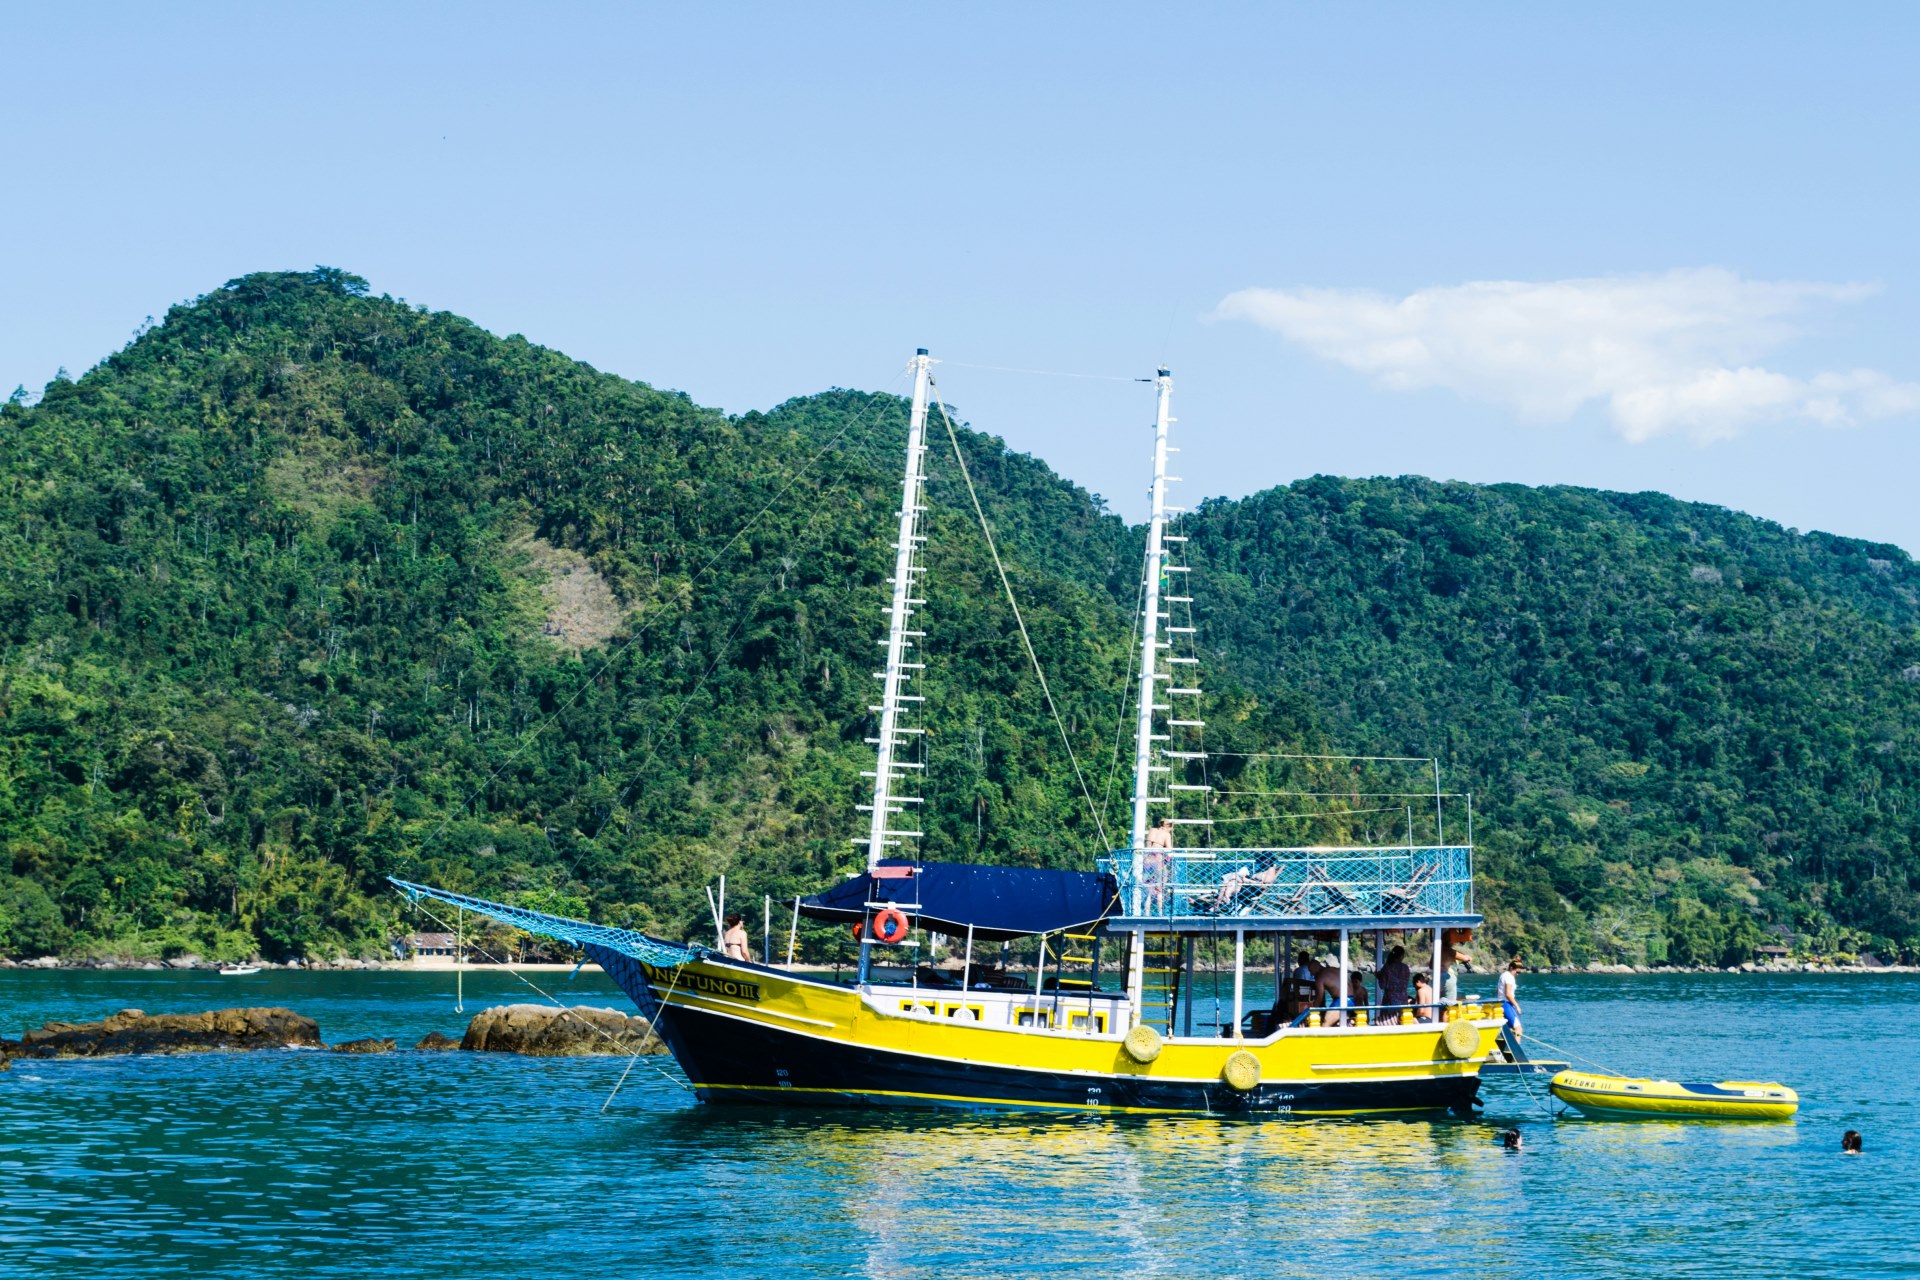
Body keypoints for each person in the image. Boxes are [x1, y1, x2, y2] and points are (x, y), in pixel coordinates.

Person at [1142, 817, 1174, 911]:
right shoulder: (1166, 834)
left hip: (1147, 861)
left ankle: (1146, 914)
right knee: (1159, 889)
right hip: (1157, 862)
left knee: (1148, 890)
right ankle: (1160, 913)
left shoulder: (1152, 830)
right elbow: (1169, 850)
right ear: (1168, 827)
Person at [1378, 945, 1412, 1017]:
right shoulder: (1405, 968)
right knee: (1402, 1021)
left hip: (1390, 1000)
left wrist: (1379, 977)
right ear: (1401, 955)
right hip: (1403, 1000)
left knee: (1388, 1023)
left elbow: (1382, 985)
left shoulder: (1387, 967)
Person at [1498, 958, 1525, 1037]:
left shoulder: (1503, 975)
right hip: (1506, 1004)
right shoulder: (1509, 977)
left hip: (1500, 1003)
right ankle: (1516, 1048)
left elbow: (1498, 991)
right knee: (1518, 1028)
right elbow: (1508, 994)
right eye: (1517, 972)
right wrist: (1517, 1006)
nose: (1517, 974)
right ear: (1511, 968)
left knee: (1509, 1028)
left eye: (1519, 973)